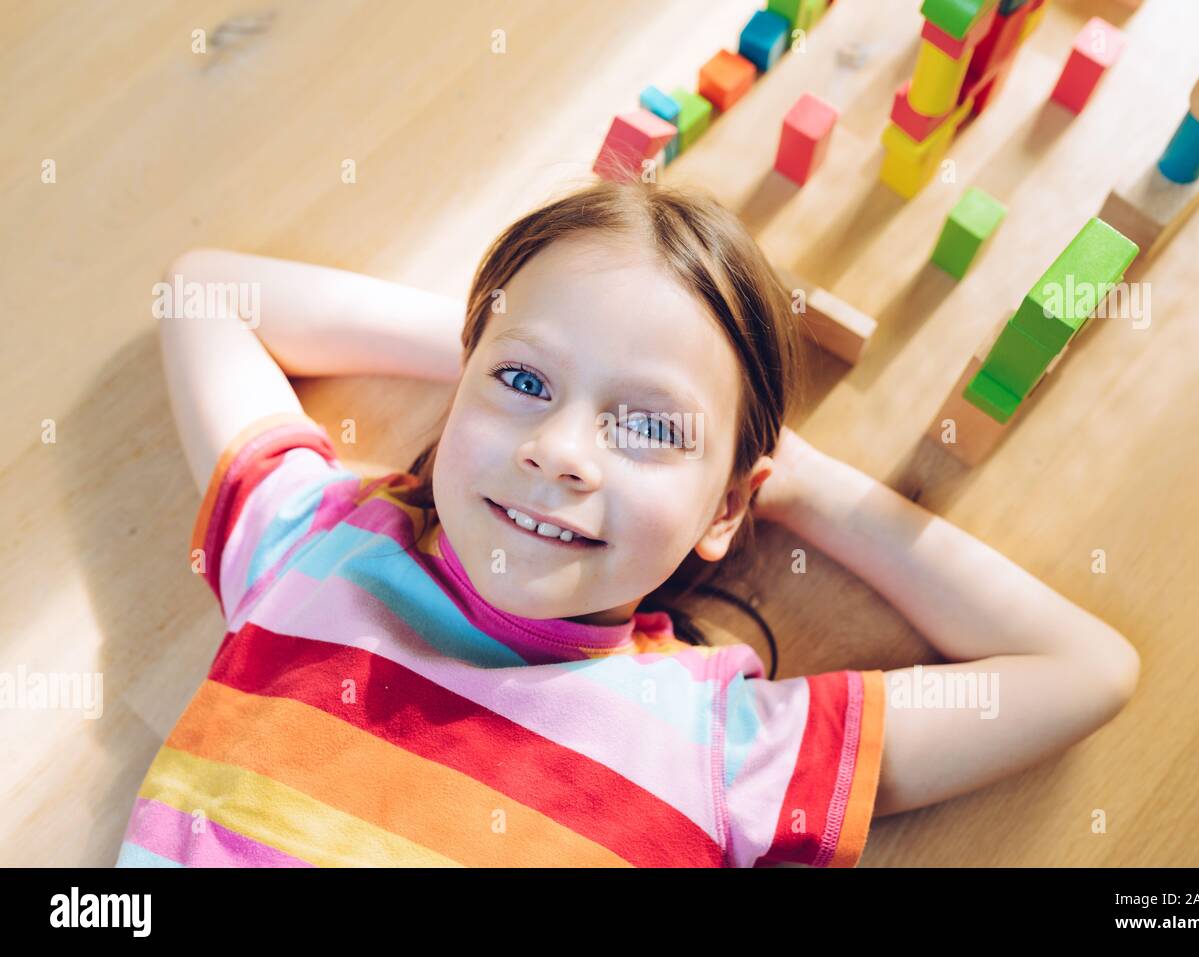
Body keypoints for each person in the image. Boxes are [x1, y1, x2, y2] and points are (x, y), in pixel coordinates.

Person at [118, 178, 1139, 867]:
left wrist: (804, 485)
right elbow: (209, 291)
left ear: (729, 505)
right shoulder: (315, 546)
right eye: (521, 382)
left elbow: (1083, 669)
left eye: (647, 426)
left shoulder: (718, 745)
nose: (562, 450)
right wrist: (494, 339)